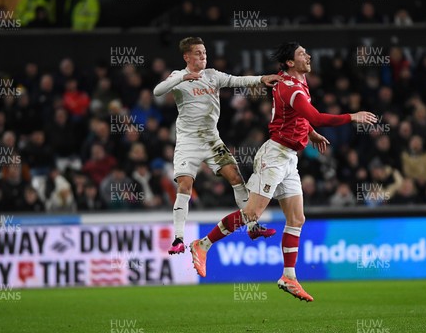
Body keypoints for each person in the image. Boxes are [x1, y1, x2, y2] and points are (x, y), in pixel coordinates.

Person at [189, 42, 377, 301]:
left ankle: (289, 276)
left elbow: (297, 117)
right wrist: (351, 117)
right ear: (290, 62)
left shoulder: (297, 83)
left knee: (297, 218)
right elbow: (317, 115)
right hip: (275, 156)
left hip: (289, 158)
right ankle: (202, 244)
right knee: (252, 213)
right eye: (302, 54)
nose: (308, 56)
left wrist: (310, 133)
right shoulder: (291, 87)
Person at [153, 37, 282, 254]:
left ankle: (252, 226)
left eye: (204, 52)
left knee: (235, 177)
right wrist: (183, 77)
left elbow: (237, 80)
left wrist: (262, 78)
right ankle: (178, 238)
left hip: (212, 141)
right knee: (185, 184)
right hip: (188, 142)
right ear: (187, 56)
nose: (203, 55)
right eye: (197, 53)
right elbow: (158, 91)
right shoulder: (178, 76)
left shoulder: (213, 75)